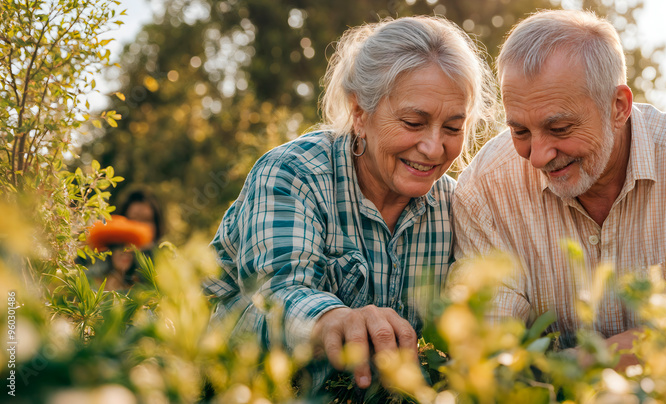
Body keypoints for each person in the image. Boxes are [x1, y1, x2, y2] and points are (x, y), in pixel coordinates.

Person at [452, 9, 666, 366]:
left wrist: (579, 366)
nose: (538, 156)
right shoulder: (484, 189)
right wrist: (660, 343)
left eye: (560, 129)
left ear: (618, 106)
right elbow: (488, 352)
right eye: (520, 131)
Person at [203, 16, 495, 394]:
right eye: (412, 122)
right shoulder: (293, 174)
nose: (434, 147)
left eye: (453, 128)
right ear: (360, 113)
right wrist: (333, 319)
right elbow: (274, 297)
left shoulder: (455, 204)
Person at [86, 187, 162, 290]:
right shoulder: (96, 273)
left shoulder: (163, 268)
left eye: (147, 220)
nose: (140, 226)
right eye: (134, 219)